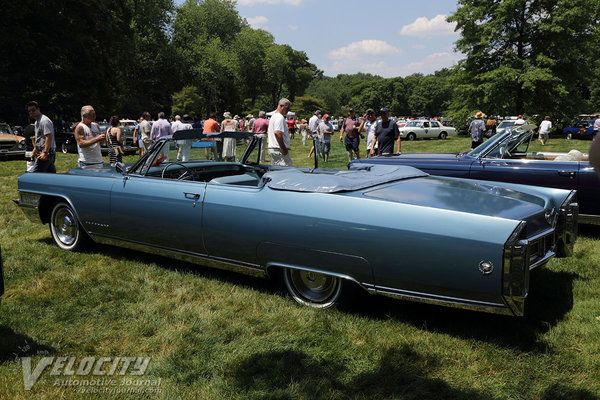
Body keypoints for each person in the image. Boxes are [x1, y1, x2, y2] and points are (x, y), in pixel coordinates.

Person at [26, 101, 56, 173]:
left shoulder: (44, 121)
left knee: (36, 174)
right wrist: (34, 151)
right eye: (29, 111)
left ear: (38, 109)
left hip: (46, 152)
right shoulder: (37, 122)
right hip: (41, 151)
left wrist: (45, 152)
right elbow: (39, 139)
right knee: (50, 174)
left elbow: (49, 137)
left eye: (33, 110)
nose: (31, 112)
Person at [267, 98, 293, 166]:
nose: (288, 111)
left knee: (277, 172)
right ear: (281, 106)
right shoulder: (279, 117)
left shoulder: (273, 116)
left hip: (273, 148)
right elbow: (277, 133)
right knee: (286, 172)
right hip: (278, 150)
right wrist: (283, 148)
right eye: (287, 108)